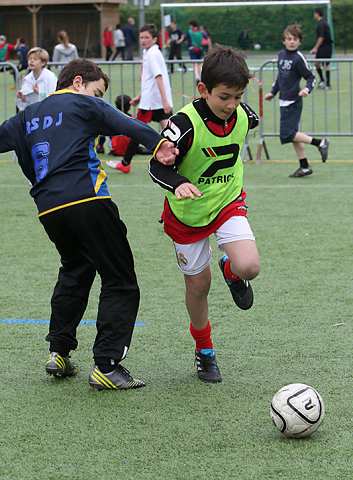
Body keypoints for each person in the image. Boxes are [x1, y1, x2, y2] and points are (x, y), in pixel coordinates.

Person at [0, 58, 178, 390]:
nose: (99, 100)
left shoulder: (26, 117)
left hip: (48, 210)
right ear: (79, 82)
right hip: (88, 200)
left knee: (76, 268)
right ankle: (107, 366)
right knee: (120, 278)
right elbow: (127, 123)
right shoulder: (82, 102)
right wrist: (160, 143)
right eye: (98, 93)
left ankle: (59, 352)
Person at [149, 44, 261, 383]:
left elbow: (244, 119)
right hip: (187, 216)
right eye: (224, 97)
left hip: (227, 203)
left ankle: (230, 268)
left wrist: (239, 105)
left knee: (249, 266)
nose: (231, 106)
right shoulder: (183, 124)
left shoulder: (244, 115)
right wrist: (177, 181)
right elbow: (156, 166)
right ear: (203, 90)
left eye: (238, 97)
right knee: (199, 286)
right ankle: (205, 349)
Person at [264, 25, 329, 178]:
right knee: (293, 136)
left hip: (293, 101)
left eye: (295, 39)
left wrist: (306, 89)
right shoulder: (281, 55)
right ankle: (304, 166)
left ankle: (320, 142)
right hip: (283, 100)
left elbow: (311, 77)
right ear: (284, 41)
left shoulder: (298, 58)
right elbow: (280, 77)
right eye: (289, 39)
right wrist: (273, 92)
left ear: (299, 42)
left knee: (287, 134)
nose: (292, 42)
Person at [107, 24, 173, 174]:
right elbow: (149, 80)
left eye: (147, 37)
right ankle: (174, 160)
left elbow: (158, 77)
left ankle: (125, 163)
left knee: (137, 131)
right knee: (169, 132)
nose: (143, 40)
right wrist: (139, 96)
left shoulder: (153, 54)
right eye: (141, 37)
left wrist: (164, 101)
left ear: (154, 39)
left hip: (153, 103)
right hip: (152, 100)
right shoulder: (148, 52)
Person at [311, 7, 333, 90]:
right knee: (316, 63)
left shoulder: (322, 24)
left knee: (326, 65)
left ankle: (328, 84)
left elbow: (321, 37)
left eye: (314, 13)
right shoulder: (321, 23)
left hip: (326, 47)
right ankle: (322, 80)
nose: (314, 15)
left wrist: (315, 48)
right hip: (322, 47)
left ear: (317, 13)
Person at [184, 20, 205, 84]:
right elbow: (206, 38)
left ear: (191, 25)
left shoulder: (189, 32)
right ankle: (202, 77)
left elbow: (184, 39)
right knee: (199, 63)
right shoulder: (200, 32)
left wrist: (187, 43)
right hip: (200, 48)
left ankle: (197, 77)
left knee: (195, 64)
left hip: (192, 48)